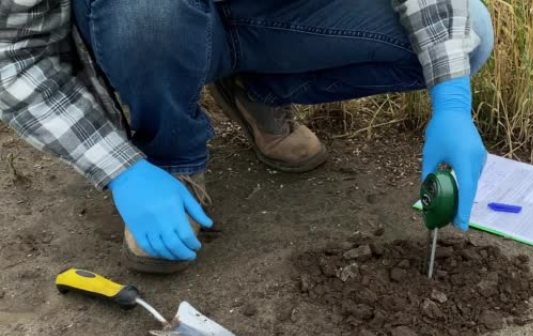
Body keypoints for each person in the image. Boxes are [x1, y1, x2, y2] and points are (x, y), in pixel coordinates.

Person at [0, 0, 494, 274]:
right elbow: (15, 52)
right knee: (147, 14)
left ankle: (255, 89)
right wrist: (120, 169)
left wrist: (451, 99)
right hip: (146, 20)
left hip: (270, 15)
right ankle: (171, 158)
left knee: (468, 31)